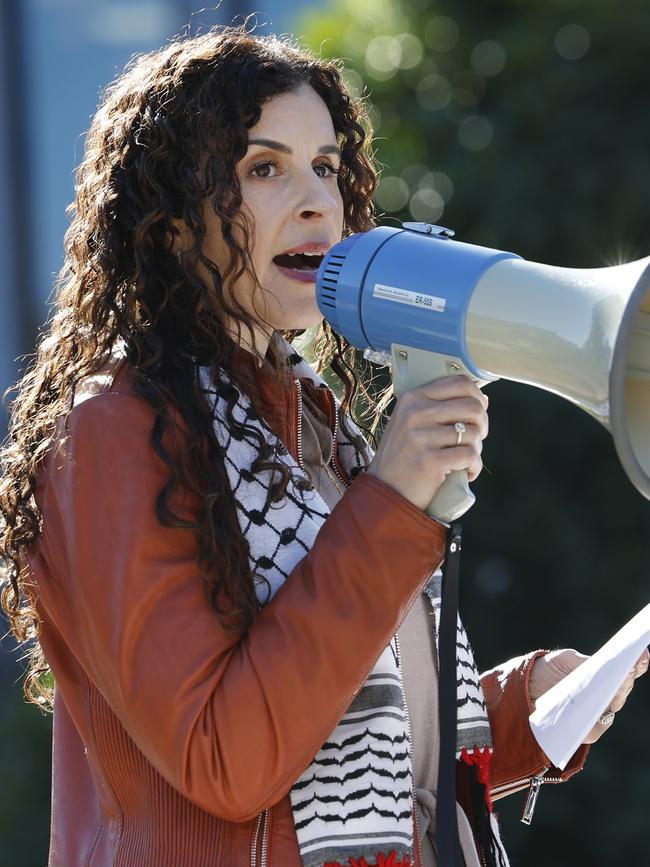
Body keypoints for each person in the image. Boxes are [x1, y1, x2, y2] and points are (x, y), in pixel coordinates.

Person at [0, 26, 646, 867]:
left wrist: (527, 708)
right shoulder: (115, 432)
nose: (316, 203)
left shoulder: (313, 422)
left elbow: (356, 727)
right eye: (263, 167)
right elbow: (228, 758)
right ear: (169, 221)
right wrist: (389, 502)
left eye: (327, 168)